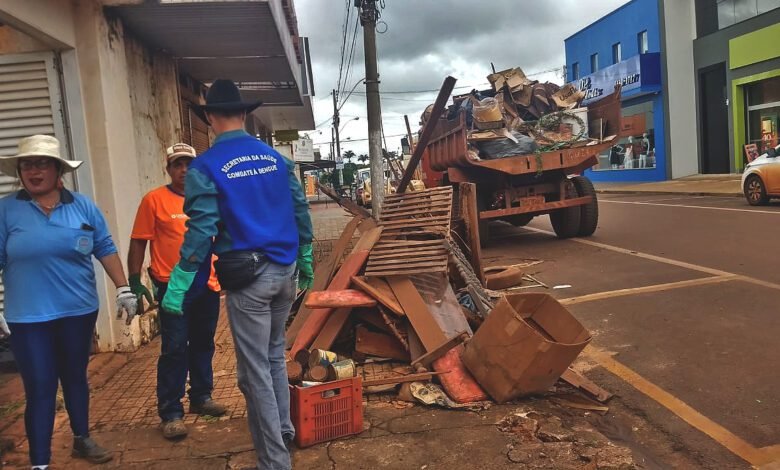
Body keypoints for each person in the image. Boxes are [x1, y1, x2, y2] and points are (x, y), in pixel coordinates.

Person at [161, 79, 313, 470]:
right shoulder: (277, 159)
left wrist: (179, 281)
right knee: (274, 356)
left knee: (254, 374)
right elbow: (300, 211)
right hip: (286, 273)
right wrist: (307, 256)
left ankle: (274, 462)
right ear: (244, 114)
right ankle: (283, 432)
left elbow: (201, 230)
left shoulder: (206, 166)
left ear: (210, 117)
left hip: (249, 279)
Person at [0, 135, 138, 470]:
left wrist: (123, 288)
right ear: (19, 171)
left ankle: (82, 438)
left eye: (41, 163)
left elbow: (103, 246)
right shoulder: (6, 210)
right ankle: (40, 463)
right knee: (41, 384)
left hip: (78, 310)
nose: (33, 171)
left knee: (75, 375)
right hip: (28, 316)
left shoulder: (83, 206)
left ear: (58, 169)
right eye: (26, 164)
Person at [127, 143, 226, 441]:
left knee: (203, 342)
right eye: (177, 165)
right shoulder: (154, 200)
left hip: (207, 284)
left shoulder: (208, 199)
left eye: (189, 165)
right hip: (173, 288)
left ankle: (201, 397)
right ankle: (170, 411)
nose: (184, 171)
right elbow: (138, 242)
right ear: (168, 169)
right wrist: (134, 279)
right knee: (173, 348)